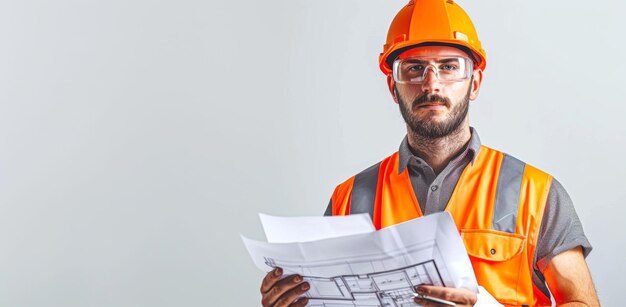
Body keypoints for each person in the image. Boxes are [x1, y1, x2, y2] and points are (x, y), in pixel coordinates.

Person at [259, 0, 599, 306]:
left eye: (449, 66)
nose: (431, 84)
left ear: (475, 83)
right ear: (393, 87)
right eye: (413, 69)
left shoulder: (535, 194)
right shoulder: (348, 199)